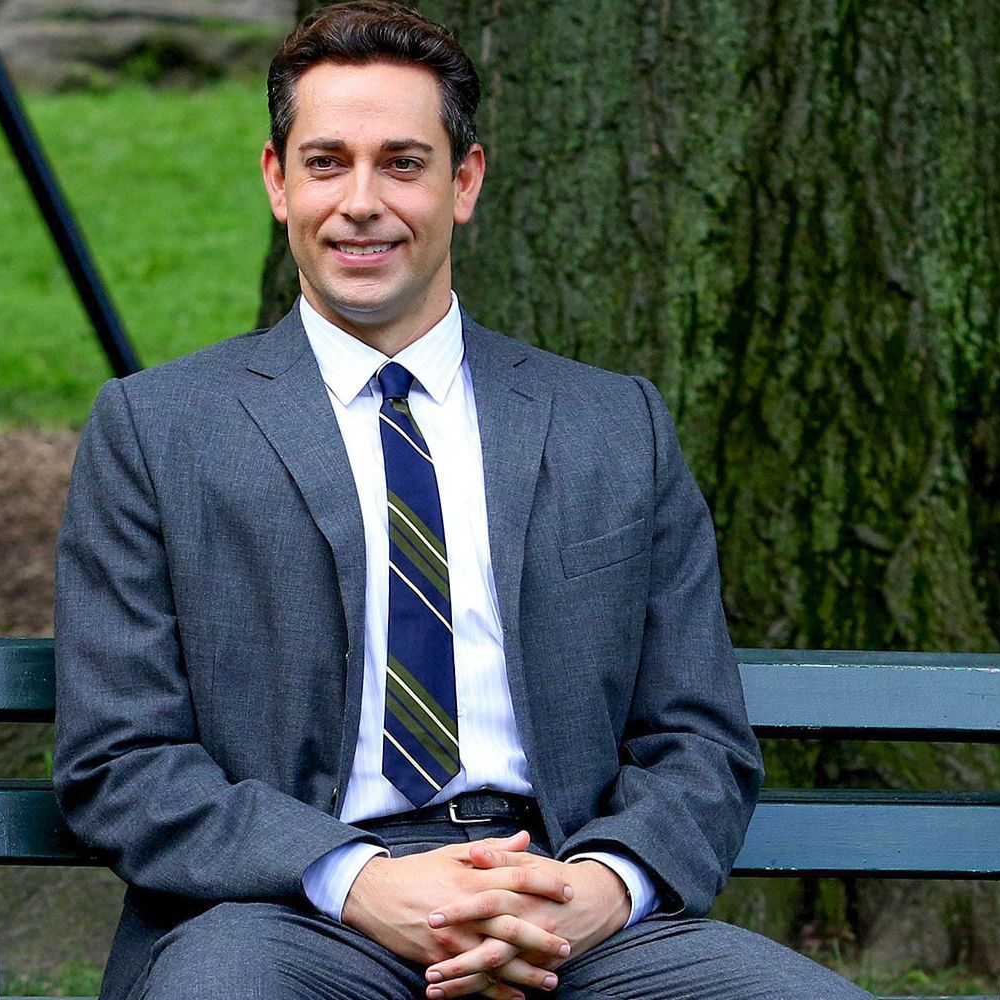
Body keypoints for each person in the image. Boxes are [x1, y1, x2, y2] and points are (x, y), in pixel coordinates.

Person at [50, 3, 873, 999]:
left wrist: (602, 887)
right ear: (276, 182)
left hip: (564, 905)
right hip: (287, 914)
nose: (360, 201)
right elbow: (118, 757)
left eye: (401, 162)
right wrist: (356, 879)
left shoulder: (610, 423)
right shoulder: (159, 427)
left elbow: (693, 736)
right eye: (324, 162)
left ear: (464, 180)